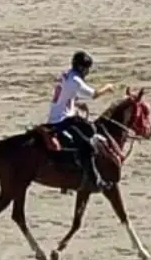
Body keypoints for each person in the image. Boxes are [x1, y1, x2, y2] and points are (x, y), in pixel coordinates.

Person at [46, 51, 114, 191]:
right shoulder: (76, 80)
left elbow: (65, 94)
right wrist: (107, 88)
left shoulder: (65, 75)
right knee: (88, 144)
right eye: (87, 69)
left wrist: (76, 103)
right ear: (82, 68)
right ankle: (95, 179)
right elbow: (94, 95)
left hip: (56, 115)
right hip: (63, 119)